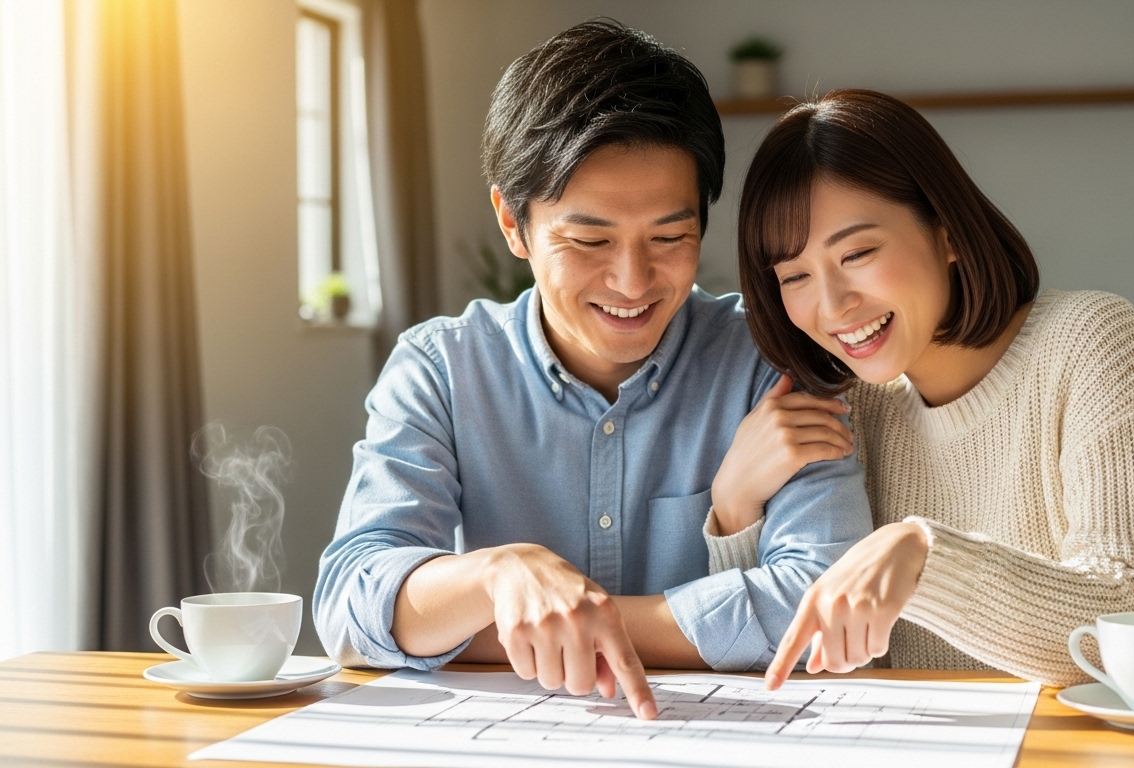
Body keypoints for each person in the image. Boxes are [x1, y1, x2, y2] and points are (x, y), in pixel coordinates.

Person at [312, 23, 871, 720]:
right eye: (589, 240)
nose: (633, 281)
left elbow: (826, 600)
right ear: (512, 223)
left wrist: (517, 629)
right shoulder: (442, 370)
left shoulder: (772, 359)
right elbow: (350, 603)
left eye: (670, 237)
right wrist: (495, 575)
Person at [708, 89, 1134, 688]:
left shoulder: (1092, 343)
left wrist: (926, 556)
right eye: (795, 276)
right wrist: (736, 509)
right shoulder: (853, 406)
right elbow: (809, 661)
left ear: (947, 233)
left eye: (858, 253)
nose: (833, 305)